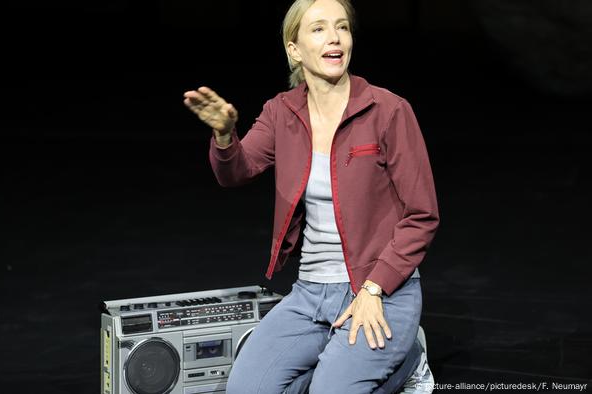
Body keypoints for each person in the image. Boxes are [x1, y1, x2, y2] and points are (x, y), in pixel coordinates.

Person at [183, 0, 439, 392]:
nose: (334, 37)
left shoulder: (388, 110)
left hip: (381, 291)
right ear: (294, 49)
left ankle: (408, 362)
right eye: (318, 28)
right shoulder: (281, 113)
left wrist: (374, 288)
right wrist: (223, 135)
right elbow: (236, 172)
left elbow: (422, 215)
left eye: (342, 27)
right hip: (310, 293)